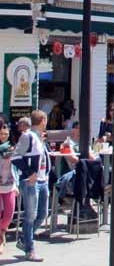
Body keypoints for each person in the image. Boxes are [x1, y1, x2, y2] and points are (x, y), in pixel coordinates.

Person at [14, 110, 52, 261]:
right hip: (31, 181)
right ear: (43, 120)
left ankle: (25, 240)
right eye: (46, 120)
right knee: (31, 215)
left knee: (42, 213)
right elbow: (16, 157)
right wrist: (30, 173)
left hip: (42, 180)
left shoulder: (39, 138)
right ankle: (30, 248)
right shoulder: (28, 136)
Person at [0, 120, 16, 254]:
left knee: (9, 214)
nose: (3, 136)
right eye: (1, 133)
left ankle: (2, 231)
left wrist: (16, 185)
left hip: (9, 184)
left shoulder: (12, 148)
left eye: (6, 133)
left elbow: (15, 168)